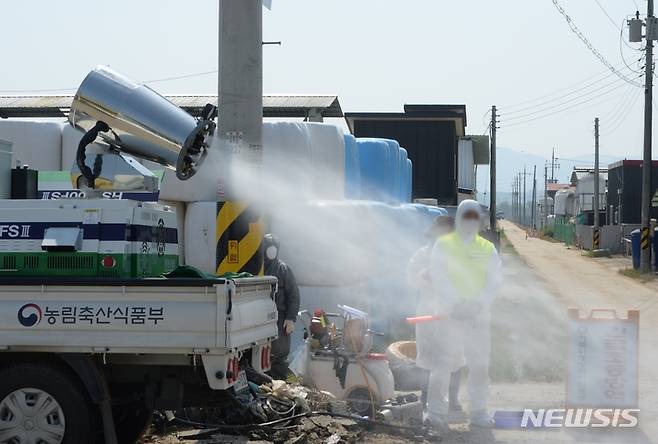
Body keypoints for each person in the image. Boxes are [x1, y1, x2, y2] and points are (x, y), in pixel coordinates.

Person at [424, 200, 502, 430]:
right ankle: (436, 413)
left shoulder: (487, 248)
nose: (469, 221)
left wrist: (477, 304)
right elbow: (439, 276)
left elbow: (495, 280)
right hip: (450, 315)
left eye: (473, 216)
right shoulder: (444, 245)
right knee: (442, 365)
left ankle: (478, 411)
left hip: (477, 318)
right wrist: (456, 304)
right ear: (459, 217)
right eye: (465, 216)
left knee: (479, 366)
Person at [406, 215, 463, 413]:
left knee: (455, 356)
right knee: (426, 357)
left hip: (453, 313)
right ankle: (425, 400)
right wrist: (424, 275)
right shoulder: (422, 255)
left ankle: (453, 401)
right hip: (427, 313)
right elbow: (411, 280)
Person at [264, 233, 301, 380]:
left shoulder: (283, 269)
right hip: (260, 319)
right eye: (268, 247)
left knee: (278, 355)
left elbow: (294, 295)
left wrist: (291, 318)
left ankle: (279, 386)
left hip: (280, 320)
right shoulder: (256, 267)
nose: (271, 251)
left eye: (274, 248)